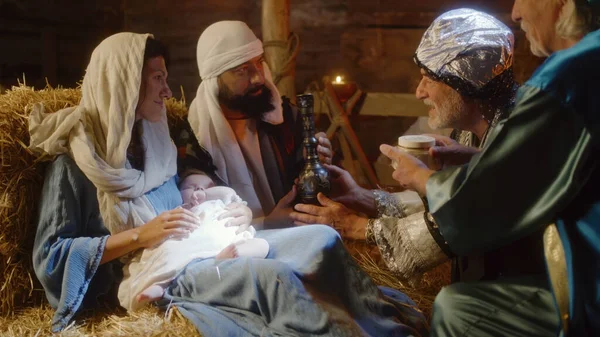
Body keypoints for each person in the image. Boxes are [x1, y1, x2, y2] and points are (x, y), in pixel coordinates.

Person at [29, 33, 428, 336]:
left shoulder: (156, 143)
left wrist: (229, 207)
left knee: (320, 238)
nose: (168, 91)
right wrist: (139, 236)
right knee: (273, 278)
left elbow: (189, 190)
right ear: (124, 84)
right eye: (158, 78)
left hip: (205, 242)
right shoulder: (75, 167)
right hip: (163, 269)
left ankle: (377, 320)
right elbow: (52, 256)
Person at [380, 0, 600, 335]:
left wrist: (421, 179)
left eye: (429, 77)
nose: (515, 13)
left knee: (458, 309)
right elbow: (532, 171)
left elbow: (485, 204)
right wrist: (474, 160)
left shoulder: (569, 77)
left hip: (587, 282)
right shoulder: (585, 67)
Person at [291, 8, 533, 284]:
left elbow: (453, 225)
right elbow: (446, 206)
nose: (419, 91)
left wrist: (355, 227)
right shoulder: (470, 135)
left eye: (429, 78)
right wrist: (362, 197)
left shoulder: (519, 133)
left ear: (465, 82)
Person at [178, 20, 333, 229]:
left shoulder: (287, 118)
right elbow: (201, 221)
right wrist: (266, 224)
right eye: (242, 70)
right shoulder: (193, 141)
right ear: (215, 80)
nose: (258, 77)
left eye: (259, 62)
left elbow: (312, 190)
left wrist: (320, 160)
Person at [122, 172, 270, 311]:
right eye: (190, 187)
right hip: (193, 240)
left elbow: (228, 193)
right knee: (171, 254)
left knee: (262, 245)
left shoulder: (223, 201)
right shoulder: (180, 210)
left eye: (209, 186)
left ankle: (235, 252)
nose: (199, 188)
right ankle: (159, 286)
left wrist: (206, 193)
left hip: (228, 236)